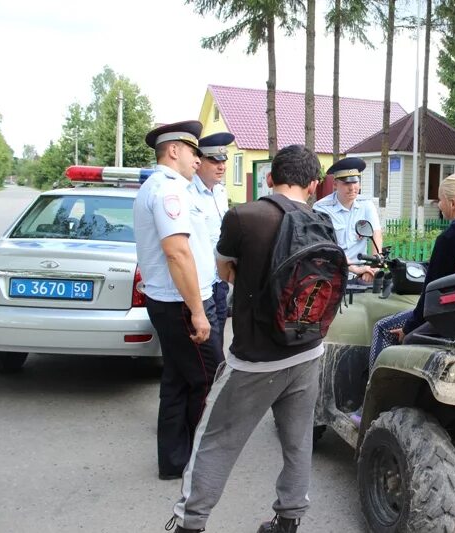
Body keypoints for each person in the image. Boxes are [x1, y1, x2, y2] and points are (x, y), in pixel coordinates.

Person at [167, 145, 329, 533]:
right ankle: (288, 521)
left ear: (270, 178)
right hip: (309, 350)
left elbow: (225, 270)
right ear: (312, 185)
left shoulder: (244, 216)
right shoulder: (323, 221)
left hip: (256, 357)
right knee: (297, 441)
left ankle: (191, 524)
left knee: (216, 440)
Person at [133, 120, 224, 480]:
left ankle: (174, 461)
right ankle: (202, 461)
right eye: (193, 152)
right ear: (174, 150)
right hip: (183, 304)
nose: (197, 160)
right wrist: (199, 313)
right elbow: (177, 253)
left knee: (177, 379)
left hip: (173, 302)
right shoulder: (169, 191)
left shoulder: (166, 188)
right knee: (208, 379)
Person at [368, 174, 455, 369]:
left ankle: (374, 391)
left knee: (383, 328)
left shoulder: (449, 237)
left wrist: (409, 327)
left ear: (453, 203)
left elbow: (430, 293)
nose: (439, 205)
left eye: (440, 200)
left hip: (448, 314)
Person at [192, 132, 234, 344]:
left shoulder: (220, 191)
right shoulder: (188, 193)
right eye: (214, 160)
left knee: (217, 341)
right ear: (198, 162)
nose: (222, 166)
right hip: (199, 284)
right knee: (209, 349)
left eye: (224, 160)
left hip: (219, 280)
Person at [313, 157, 382, 283]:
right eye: (346, 183)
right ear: (335, 184)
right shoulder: (322, 208)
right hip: (330, 275)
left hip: (359, 276)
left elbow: (376, 234)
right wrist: (354, 268)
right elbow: (325, 248)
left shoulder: (366, 204)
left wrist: (374, 267)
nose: (352, 188)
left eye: (355, 182)